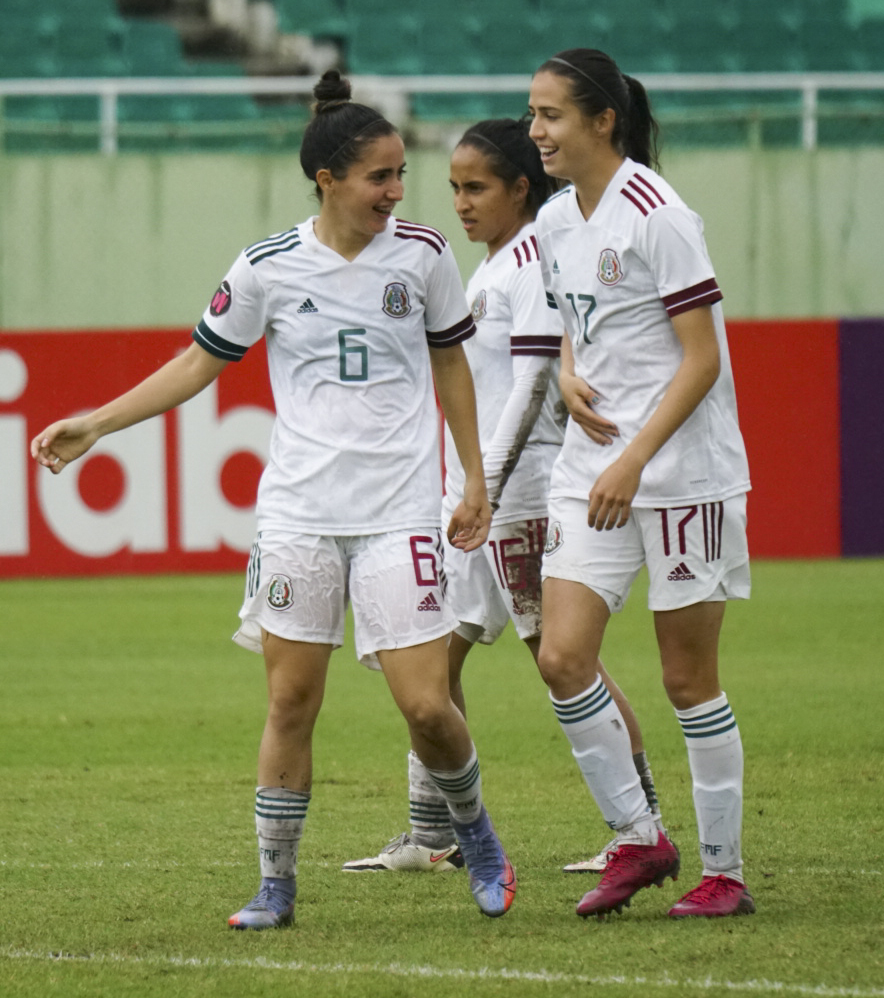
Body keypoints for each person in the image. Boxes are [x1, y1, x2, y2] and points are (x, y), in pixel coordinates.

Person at [30, 70, 517, 928]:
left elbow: (452, 364)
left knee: (427, 704)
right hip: (297, 517)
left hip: (401, 511)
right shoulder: (266, 268)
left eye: (402, 174)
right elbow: (196, 363)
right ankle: (276, 885)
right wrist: (98, 423)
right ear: (327, 180)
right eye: (380, 176)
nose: (396, 192)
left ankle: (476, 836)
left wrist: (474, 477)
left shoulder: (426, 255)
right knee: (291, 703)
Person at [341, 118, 665, 878]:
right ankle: (431, 833)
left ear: (522, 188)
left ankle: (640, 824)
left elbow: (530, 385)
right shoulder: (486, 268)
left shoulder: (531, 262)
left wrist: (485, 483)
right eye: (452, 187)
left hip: (516, 503)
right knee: (432, 666)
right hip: (471, 505)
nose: (460, 202)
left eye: (476, 187)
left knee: (567, 663)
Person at [528, 48, 755, 920]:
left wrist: (634, 460)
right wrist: (567, 375)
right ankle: (639, 837)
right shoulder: (553, 221)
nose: (537, 130)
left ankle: (725, 873)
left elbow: (701, 361)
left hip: (680, 474)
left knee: (686, 678)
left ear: (602, 121)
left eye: (551, 115)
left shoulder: (660, 215)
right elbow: (576, 327)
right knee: (560, 656)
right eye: (533, 113)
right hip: (593, 467)